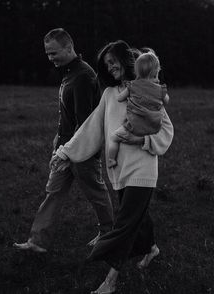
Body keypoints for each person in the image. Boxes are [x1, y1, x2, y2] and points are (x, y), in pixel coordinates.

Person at [51, 40, 174, 294]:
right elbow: (91, 129)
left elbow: (167, 129)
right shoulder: (109, 95)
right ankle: (151, 248)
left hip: (143, 169)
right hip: (118, 171)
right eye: (106, 64)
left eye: (113, 61)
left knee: (125, 224)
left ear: (125, 60)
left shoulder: (145, 90)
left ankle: (110, 280)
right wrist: (65, 153)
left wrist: (143, 140)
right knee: (138, 217)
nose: (110, 67)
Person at [13, 28, 114, 253]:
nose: (50, 59)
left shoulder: (83, 77)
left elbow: (85, 123)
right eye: (47, 54)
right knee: (54, 192)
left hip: (82, 150)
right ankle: (37, 242)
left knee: (95, 194)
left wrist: (69, 152)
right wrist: (58, 141)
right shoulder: (69, 72)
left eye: (54, 53)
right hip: (64, 148)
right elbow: (67, 115)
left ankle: (108, 235)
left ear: (69, 48)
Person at [108, 49, 169, 168]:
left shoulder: (132, 86)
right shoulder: (160, 89)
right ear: (156, 72)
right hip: (153, 127)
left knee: (114, 138)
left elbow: (119, 98)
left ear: (137, 72)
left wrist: (125, 93)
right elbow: (166, 101)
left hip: (133, 127)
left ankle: (111, 160)